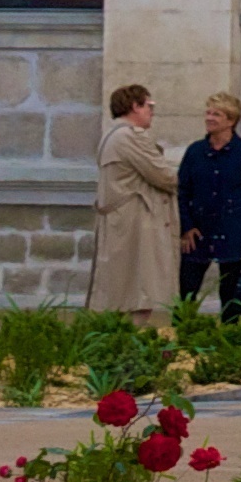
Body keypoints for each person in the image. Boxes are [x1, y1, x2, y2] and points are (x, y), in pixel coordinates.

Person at [86, 81, 176, 320]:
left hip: (122, 220)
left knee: (123, 288)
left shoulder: (112, 135)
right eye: (149, 105)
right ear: (135, 106)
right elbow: (163, 175)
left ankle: (121, 342)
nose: (151, 111)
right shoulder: (130, 136)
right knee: (138, 288)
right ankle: (130, 344)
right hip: (134, 221)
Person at [175, 93, 241, 320]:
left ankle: (229, 340)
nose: (209, 118)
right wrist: (186, 226)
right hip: (199, 229)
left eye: (216, 114)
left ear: (230, 120)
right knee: (187, 288)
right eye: (208, 113)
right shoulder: (195, 151)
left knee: (231, 292)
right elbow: (182, 191)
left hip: (233, 228)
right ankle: (183, 336)